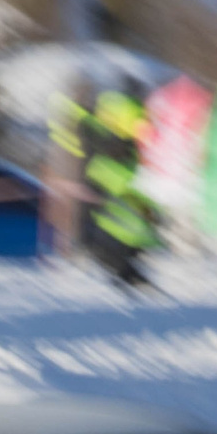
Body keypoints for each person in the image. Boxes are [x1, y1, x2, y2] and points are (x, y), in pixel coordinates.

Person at [66, 85, 156, 288]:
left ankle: (123, 270)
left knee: (113, 227)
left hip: (108, 184)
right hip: (110, 184)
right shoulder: (115, 126)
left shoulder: (101, 124)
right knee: (110, 229)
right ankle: (122, 272)